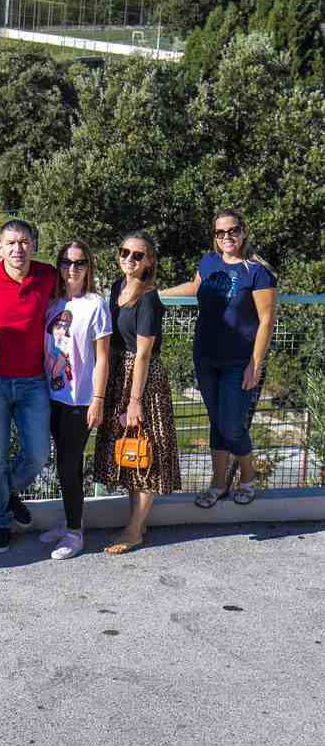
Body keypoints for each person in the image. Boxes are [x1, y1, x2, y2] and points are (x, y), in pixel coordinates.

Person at [164, 209, 278, 508]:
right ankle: (217, 483)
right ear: (214, 236)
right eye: (220, 232)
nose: (227, 237)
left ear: (243, 231)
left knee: (230, 425)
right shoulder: (209, 261)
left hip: (239, 361)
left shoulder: (257, 272)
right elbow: (195, 287)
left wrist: (255, 364)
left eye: (233, 230)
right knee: (216, 421)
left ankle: (248, 477)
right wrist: (156, 294)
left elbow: (267, 321)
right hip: (205, 356)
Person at [0, 220, 57, 552]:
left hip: (33, 381)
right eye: (11, 243)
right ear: (0, 248)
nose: (18, 249)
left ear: (33, 245)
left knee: (38, 453)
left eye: (24, 242)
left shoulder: (47, 277)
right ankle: (0, 520)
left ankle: (7, 492)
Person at [94, 232, 180, 555]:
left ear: (150, 261)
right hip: (119, 375)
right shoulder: (118, 287)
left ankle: (134, 531)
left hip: (142, 382)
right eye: (125, 252)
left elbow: (143, 354)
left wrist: (134, 401)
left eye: (138, 255)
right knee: (129, 450)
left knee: (146, 449)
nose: (130, 259)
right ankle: (137, 523)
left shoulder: (148, 298)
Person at [41, 241, 112, 561]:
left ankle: (74, 533)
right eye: (67, 262)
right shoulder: (52, 302)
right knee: (62, 463)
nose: (73, 268)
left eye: (80, 262)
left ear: (88, 267)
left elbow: (103, 356)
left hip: (78, 400)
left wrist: (97, 399)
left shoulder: (96, 305)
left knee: (69, 464)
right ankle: (72, 519)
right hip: (50, 394)